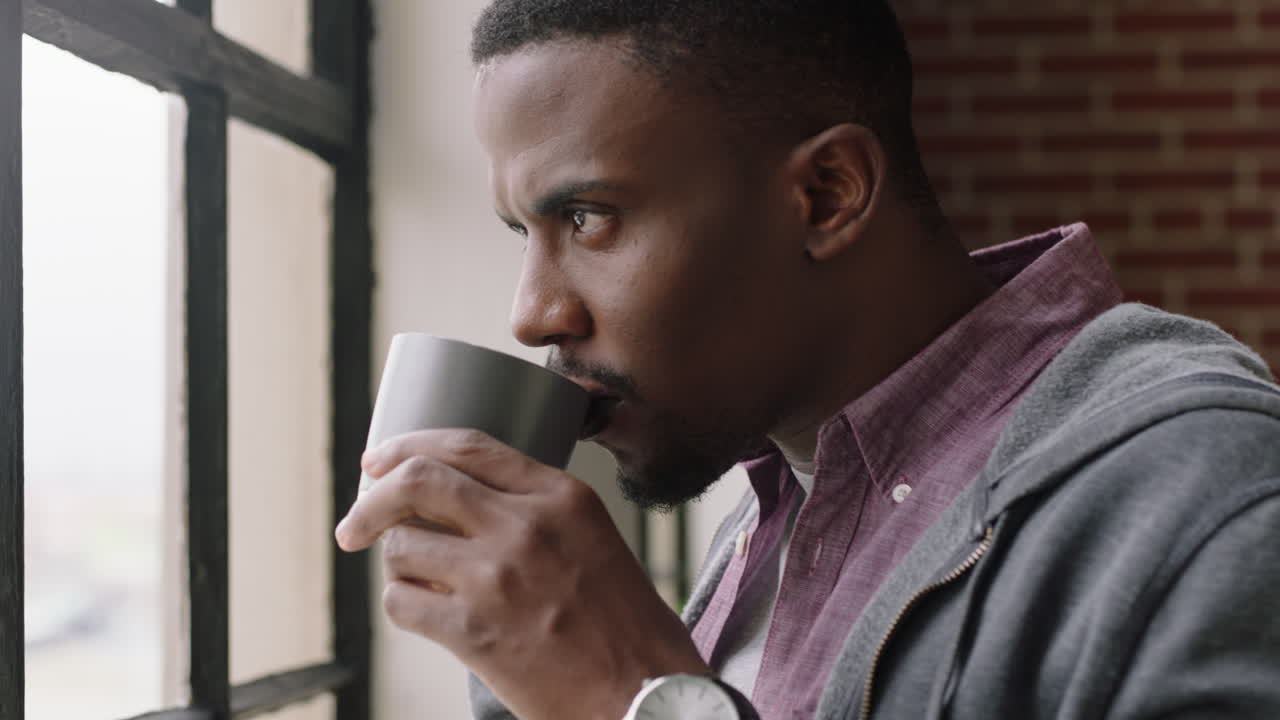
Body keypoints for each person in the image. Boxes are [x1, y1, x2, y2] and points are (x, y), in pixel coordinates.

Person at [335, 1, 1280, 718]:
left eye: (587, 218)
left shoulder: (1206, 491)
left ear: (829, 194)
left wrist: (634, 693)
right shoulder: (772, 506)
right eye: (522, 233)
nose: (533, 312)